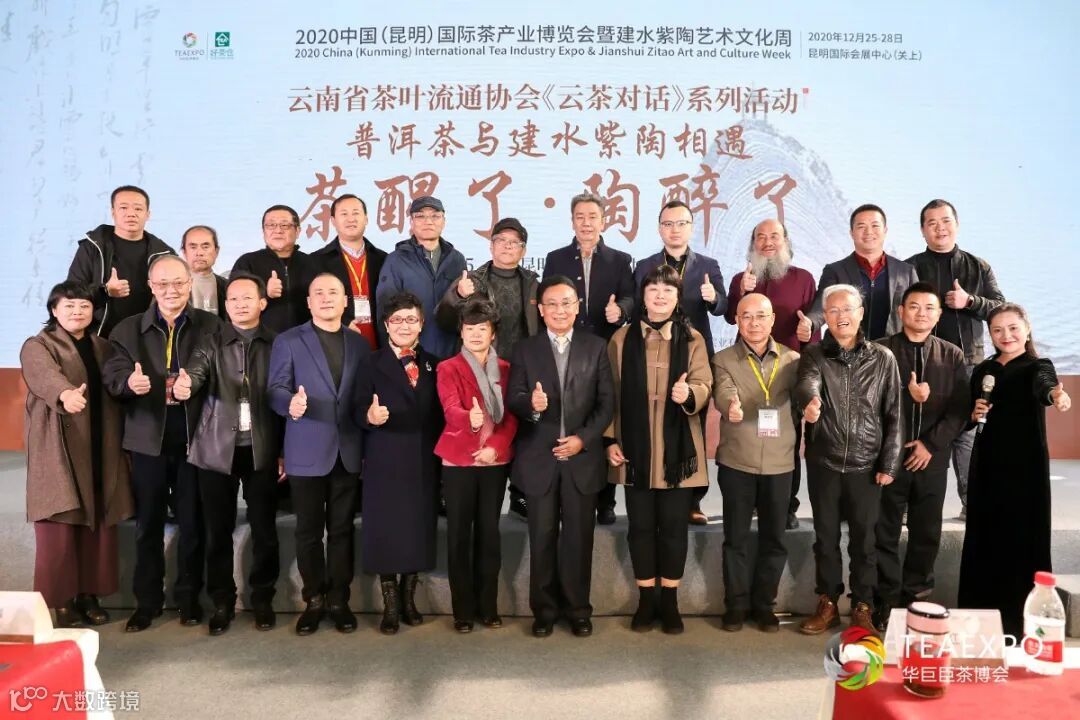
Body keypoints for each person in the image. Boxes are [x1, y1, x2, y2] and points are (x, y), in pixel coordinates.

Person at [101, 255, 223, 632]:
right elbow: (113, 372)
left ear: (190, 284)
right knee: (148, 525)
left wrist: (196, 382)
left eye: (178, 283)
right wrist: (128, 383)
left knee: (192, 523)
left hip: (194, 438)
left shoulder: (211, 326)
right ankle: (147, 602)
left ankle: (189, 599)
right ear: (151, 287)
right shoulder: (127, 329)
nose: (171, 291)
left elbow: (221, 374)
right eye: (163, 284)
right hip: (147, 438)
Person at [605, 264, 712, 634]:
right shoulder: (622, 339)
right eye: (653, 290)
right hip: (634, 450)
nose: (660, 296)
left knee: (673, 529)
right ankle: (645, 599)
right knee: (640, 528)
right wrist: (610, 440)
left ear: (678, 298)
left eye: (668, 290)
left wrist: (689, 394)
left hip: (677, 452)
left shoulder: (693, 338)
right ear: (644, 296)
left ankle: (670, 600)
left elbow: (705, 384)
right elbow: (609, 394)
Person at [507, 276, 615, 638]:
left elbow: (606, 404)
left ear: (577, 306)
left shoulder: (596, 347)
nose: (559, 310)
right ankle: (544, 611)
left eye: (566, 302)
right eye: (551, 304)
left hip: (581, 459)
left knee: (579, 540)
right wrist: (532, 405)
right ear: (540, 309)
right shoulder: (525, 349)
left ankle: (578, 610)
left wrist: (582, 440)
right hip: (540, 459)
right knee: (542, 538)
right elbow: (514, 398)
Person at [21, 281, 133, 627]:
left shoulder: (103, 346)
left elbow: (117, 383)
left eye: (84, 305)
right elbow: (44, 377)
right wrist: (65, 394)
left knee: (97, 524)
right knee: (59, 529)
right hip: (59, 446)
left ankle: (89, 594)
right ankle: (62, 602)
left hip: (99, 443)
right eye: (68, 306)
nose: (77, 312)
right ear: (54, 310)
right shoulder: (39, 345)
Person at [176, 273, 282, 635]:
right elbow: (195, 372)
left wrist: (284, 451)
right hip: (216, 449)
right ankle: (222, 601)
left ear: (262, 303)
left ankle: (263, 598)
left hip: (262, 449)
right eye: (233, 299)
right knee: (217, 529)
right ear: (225, 306)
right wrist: (185, 384)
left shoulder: (277, 343)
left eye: (247, 298)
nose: (239, 304)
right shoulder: (210, 341)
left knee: (264, 529)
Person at [958, 303, 1071, 637]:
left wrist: (1056, 396)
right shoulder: (984, 369)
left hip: (1025, 467)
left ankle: (1021, 622)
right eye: (997, 330)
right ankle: (979, 619)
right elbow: (968, 415)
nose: (1005, 335)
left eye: (1013, 328)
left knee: (1023, 537)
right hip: (987, 463)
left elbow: (1045, 386)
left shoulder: (1038, 365)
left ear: (1027, 329)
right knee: (984, 537)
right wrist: (973, 413)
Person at [795, 284, 902, 635]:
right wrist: (810, 403)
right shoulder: (814, 354)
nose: (841, 316)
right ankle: (827, 602)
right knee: (825, 538)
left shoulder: (883, 358)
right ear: (825, 317)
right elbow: (807, 384)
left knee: (865, 542)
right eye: (834, 310)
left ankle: (862, 606)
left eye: (848, 309)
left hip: (866, 465)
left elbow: (894, 414)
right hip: (824, 461)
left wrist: (889, 463)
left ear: (860, 313)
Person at [268, 273, 371, 635]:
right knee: (308, 532)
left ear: (346, 301)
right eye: (319, 293)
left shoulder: (359, 344)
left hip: (348, 450)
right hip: (306, 450)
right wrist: (290, 404)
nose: (326, 298)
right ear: (308, 302)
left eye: (334, 292)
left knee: (342, 530)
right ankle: (313, 599)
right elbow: (275, 389)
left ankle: (339, 600)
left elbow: (361, 396)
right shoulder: (288, 340)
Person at [873, 283, 969, 630]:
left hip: (931, 459)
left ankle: (916, 599)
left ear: (939, 315)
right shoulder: (879, 351)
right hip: (888, 459)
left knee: (926, 533)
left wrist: (930, 444)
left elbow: (960, 410)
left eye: (930, 308)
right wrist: (907, 394)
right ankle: (884, 601)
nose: (922, 313)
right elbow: (868, 405)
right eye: (914, 306)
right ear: (901, 311)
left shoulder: (952, 355)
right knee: (883, 532)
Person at [906, 199, 1006, 520]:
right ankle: (909, 506)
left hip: (970, 366)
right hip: (922, 364)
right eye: (932, 223)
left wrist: (970, 301)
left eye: (946, 221)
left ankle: (971, 504)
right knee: (918, 431)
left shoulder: (979, 266)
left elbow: (1001, 308)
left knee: (967, 435)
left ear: (957, 224)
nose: (940, 228)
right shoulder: (910, 268)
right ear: (923, 230)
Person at [436, 217, 540, 521]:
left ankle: (519, 494)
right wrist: (457, 295)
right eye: (500, 241)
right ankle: (455, 491)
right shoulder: (472, 280)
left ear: (523, 250)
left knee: (519, 428)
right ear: (491, 245)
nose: (507, 247)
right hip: (478, 366)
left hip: (517, 368)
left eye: (514, 242)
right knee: (474, 424)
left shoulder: (532, 281)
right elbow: (443, 321)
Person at [543, 192, 634, 525]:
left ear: (603, 221)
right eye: (580, 216)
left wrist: (620, 310)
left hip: (604, 350)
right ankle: (566, 492)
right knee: (571, 415)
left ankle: (605, 499)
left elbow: (632, 297)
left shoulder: (620, 259)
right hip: (565, 350)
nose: (586, 223)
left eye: (592, 216)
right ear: (572, 221)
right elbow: (547, 298)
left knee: (602, 419)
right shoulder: (555, 259)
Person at [712, 293, 800, 633]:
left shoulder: (792, 359)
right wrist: (730, 405)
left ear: (772, 320)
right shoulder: (723, 359)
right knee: (735, 538)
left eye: (761, 316)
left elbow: (806, 392)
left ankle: (765, 606)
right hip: (738, 461)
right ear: (736, 320)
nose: (754, 323)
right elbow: (724, 390)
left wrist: (812, 404)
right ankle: (735, 605)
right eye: (746, 316)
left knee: (773, 539)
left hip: (780, 463)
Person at [633, 200, 725, 526]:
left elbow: (724, 308)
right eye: (668, 224)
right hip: (653, 351)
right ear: (660, 228)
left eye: (681, 223)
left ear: (691, 228)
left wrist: (714, 298)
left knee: (692, 425)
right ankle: (656, 488)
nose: (675, 229)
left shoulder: (708, 265)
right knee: (655, 422)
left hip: (693, 353)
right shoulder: (645, 265)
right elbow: (637, 308)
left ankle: (692, 499)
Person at [358, 292, 443, 634]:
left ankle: (409, 598)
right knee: (386, 529)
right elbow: (353, 408)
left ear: (421, 324)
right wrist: (369, 416)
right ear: (386, 325)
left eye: (411, 319)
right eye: (397, 320)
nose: (404, 326)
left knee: (417, 528)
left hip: (423, 459)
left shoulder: (435, 364)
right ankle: (391, 605)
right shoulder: (370, 362)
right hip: (385, 458)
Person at [725, 218, 818, 529]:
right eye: (760, 237)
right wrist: (741, 291)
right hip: (747, 371)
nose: (767, 242)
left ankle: (786, 505)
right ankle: (751, 501)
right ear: (753, 244)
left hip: (786, 372)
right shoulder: (742, 278)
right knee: (747, 434)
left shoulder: (803, 279)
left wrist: (808, 331)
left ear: (786, 242)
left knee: (787, 438)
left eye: (774, 236)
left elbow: (812, 327)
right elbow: (730, 317)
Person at [434, 299, 518, 633]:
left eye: (482, 328)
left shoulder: (507, 369)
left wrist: (495, 448)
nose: (476, 334)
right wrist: (468, 420)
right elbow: (449, 407)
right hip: (458, 460)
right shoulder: (448, 367)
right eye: (470, 329)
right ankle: (463, 612)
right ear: (461, 333)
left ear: (493, 333)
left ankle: (488, 607)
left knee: (489, 534)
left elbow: (511, 418)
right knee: (458, 536)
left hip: (494, 461)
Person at [67, 185, 175, 337]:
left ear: (148, 214)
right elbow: (71, 294)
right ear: (113, 212)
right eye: (123, 208)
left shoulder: (164, 253)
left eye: (138, 209)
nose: (131, 214)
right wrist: (105, 291)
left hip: (148, 338)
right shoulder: (92, 248)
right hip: (99, 337)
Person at [809, 204, 918, 342]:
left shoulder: (906, 271)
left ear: (885, 230)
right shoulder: (835, 270)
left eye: (875, 225)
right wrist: (810, 323)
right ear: (851, 233)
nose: (868, 232)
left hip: (894, 350)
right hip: (848, 349)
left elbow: (918, 310)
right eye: (861, 226)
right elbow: (821, 306)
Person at [376, 196, 467, 359]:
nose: (428, 221)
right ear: (411, 222)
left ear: (444, 222)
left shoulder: (457, 259)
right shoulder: (396, 260)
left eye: (435, 216)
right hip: (411, 355)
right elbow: (385, 311)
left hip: (451, 353)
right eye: (420, 216)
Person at [307, 193, 387, 350]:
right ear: (333, 221)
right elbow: (312, 304)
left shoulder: (383, 259)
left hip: (380, 342)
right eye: (344, 214)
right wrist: (343, 321)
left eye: (356, 213)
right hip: (335, 342)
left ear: (366, 219)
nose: (351, 219)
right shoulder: (316, 261)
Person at [231, 204, 315, 334]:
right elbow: (234, 305)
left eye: (284, 225)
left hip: (306, 338)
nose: (278, 230)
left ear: (297, 231)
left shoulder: (313, 263)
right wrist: (265, 293)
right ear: (263, 231)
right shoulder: (247, 262)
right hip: (260, 340)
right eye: (271, 225)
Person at [181, 225, 228, 319]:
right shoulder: (172, 288)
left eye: (205, 247)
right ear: (184, 252)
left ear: (216, 251)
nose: (199, 253)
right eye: (193, 247)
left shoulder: (228, 287)